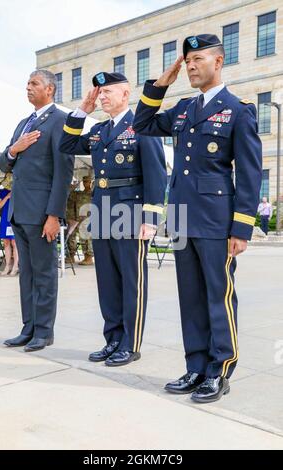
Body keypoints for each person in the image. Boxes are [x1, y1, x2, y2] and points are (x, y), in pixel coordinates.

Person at [133, 34, 262, 402]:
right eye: (187, 60)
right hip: (182, 218)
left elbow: (250, 174)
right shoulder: (184, 108)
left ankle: (219, 371)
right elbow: (143, 124)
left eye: (197, 59)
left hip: (216, 220)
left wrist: (242, 227)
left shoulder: (238, 109)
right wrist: (160, 85)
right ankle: (196, 366)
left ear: (218, 62)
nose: (190, 65)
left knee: (217, 296)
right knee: (190, 297)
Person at [60, 72, 167, 366]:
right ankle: (113, 340)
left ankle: (130, 344)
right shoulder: (99, 131)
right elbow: (67, 145)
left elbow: (157, 175)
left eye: (108, 92)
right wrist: (83, 111)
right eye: (100, 92)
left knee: (131, 282)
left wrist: (150, 218)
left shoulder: (142, 127)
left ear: (125, 93)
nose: (103, 96)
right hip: (103, 212)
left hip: (131, 215)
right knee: (107, 282)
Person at [0, 70, 74, 352]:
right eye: (27, 83)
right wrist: (13, 150)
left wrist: (54, 215)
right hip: (19, 211)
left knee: (44, 274)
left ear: (50, 89)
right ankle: (28, 328)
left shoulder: (60, 121)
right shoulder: (22, 124)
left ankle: (44, 331)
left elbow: (63, 173)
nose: (28, 88)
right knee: (27, 274)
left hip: (42, 214)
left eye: (34, 83)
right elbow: (5, 164)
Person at [0, 173, 19, 276]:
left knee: (15, 243)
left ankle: (15, 266)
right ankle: (7, 266)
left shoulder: (20, 192)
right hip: (5, 220)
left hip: (15, 219)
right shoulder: (2, 192)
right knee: (6, 243)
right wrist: (7, 197)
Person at [77, 175, 94, 266]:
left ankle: (89, 257)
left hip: (90, 219)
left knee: (89, 239)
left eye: (87, 182)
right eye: (84, 182)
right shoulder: (80, 194)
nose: (85, 183)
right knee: (83, 238)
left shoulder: (93, 194)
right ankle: (85, 256)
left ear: (90, 182)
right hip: (81, 219)